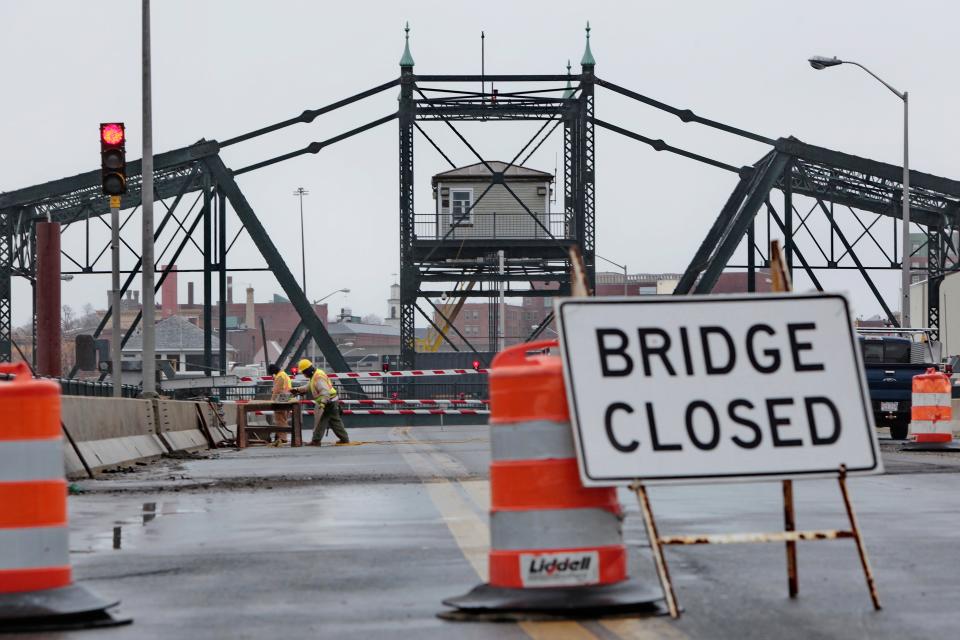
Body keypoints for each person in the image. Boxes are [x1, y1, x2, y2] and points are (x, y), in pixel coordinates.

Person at [291, 358, 349, 446]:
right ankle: (344, 439)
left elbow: (325, 391)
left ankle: (316, 441)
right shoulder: (315, 375)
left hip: (327, 401)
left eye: (303, 372)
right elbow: (309, 386)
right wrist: (297, 389)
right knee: (334, 421)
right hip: (332, 400)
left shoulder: (318, 377)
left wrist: (322, 404)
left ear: (308, 370)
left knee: (321, 421)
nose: (303, 374)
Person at [267, 363, 292, 446]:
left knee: (279, 418)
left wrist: (272, 401)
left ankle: (282, 438)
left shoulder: (280, 377)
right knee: (283, 418)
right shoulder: (284, 374)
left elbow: (276, 390)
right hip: (287, 397)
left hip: (282, 397)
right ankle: (282, 437)